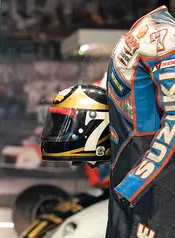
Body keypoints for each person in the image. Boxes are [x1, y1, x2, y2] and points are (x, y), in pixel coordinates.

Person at [106, 5, 175, 237]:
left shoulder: (161, 34)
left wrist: (135, 183)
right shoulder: (162, 33)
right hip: (139, 178)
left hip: (146, 182)